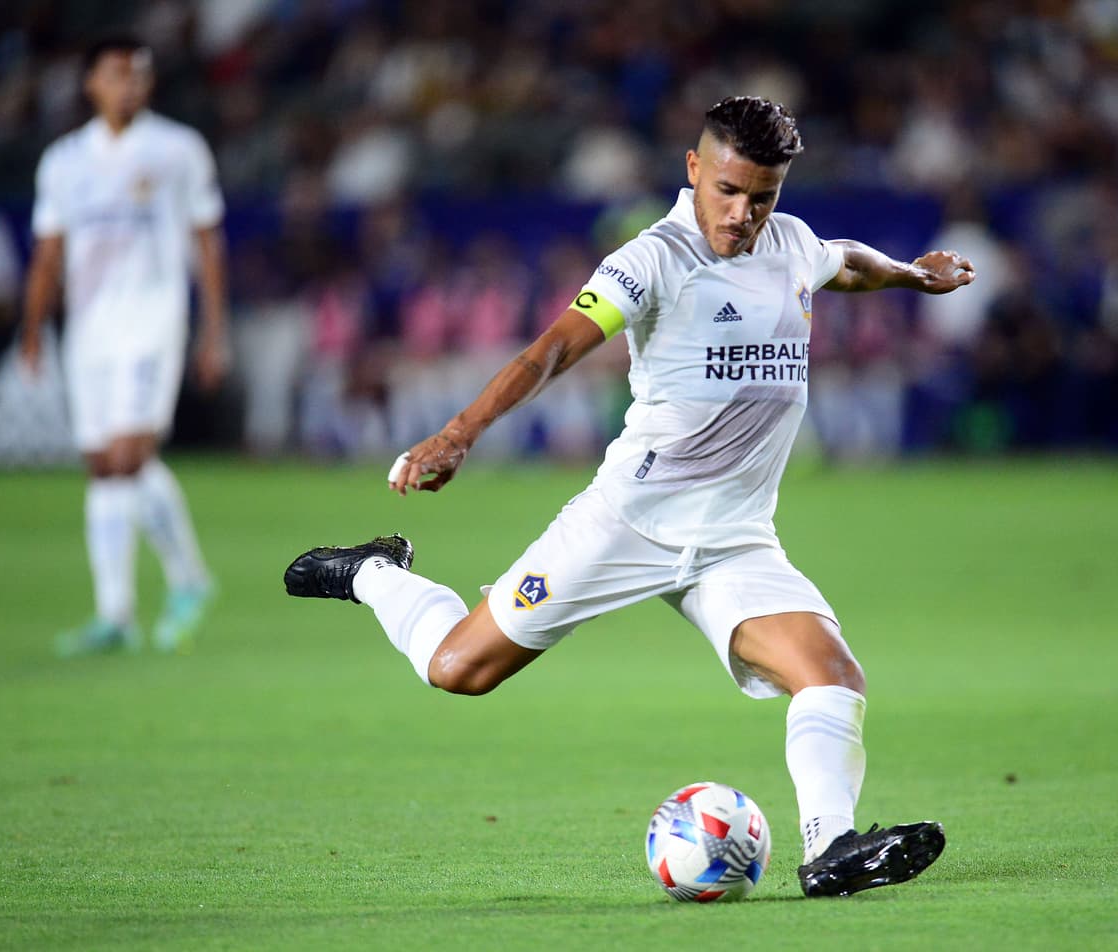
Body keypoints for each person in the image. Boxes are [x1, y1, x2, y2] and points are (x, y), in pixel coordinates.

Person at [285, 97, 974, 897]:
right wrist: (458, 432)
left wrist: (912, 274)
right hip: (628, 523)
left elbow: (846, 259)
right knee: (458, 670)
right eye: (728, 191)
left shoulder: (789, 244)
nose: (743, 214)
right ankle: (374, 572)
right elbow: (550, 352)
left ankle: (830, 850)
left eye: (763, 196)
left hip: (736, 541)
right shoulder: (651, 259)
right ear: (693, 169)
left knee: (832, 678)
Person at [20, 35, 228, 656]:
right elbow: (49, 252)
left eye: (140, 76)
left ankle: (189, 579)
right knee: (103, 468)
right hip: (89, 331)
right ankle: (116, 613)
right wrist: (32, 330)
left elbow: (207, 239)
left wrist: (214, 328)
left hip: (152, 320)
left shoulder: (176, 149)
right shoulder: (63, 160)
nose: (131, 86)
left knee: (129, 455)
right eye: (117, 75)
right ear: (90, 83)